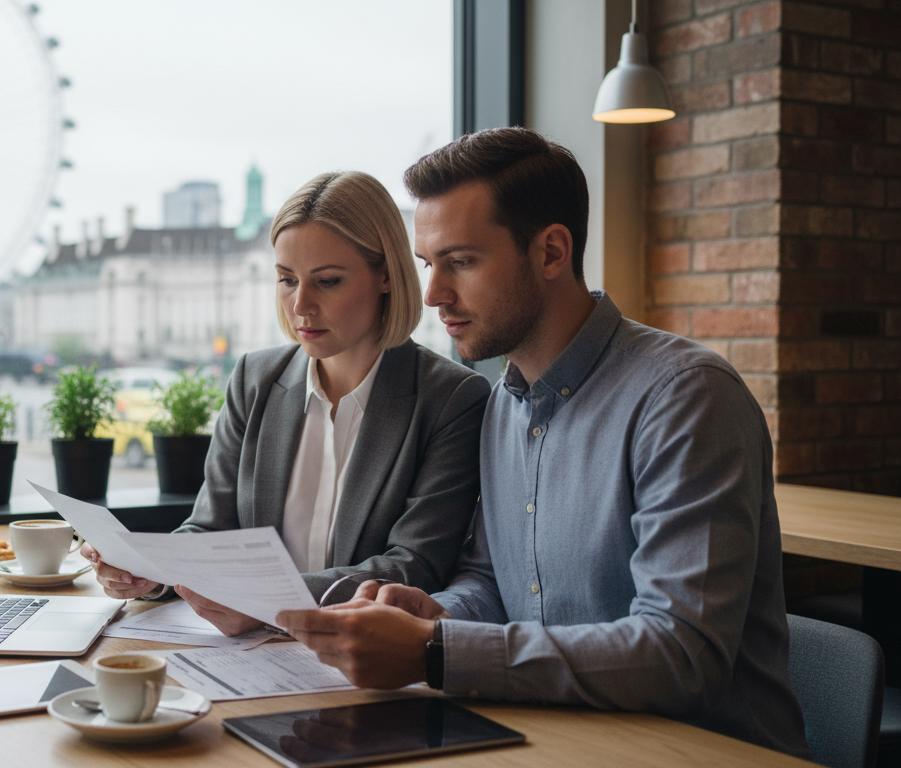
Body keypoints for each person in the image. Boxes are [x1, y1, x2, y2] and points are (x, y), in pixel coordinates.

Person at [276, 128, 811, 759]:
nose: (434, 294)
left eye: (462, 262)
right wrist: (430, 612)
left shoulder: (686, 398)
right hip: (559, 739)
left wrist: (435, 650)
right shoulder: (504, 403)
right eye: (429, 265)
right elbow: (497, 585)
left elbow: (682, 655)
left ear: (552, 251)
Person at [82, 170, 490, 636]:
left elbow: (414, 566)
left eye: (328, 281)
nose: (300, 306)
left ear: (385, 276)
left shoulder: (451, 399)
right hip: (243, 658)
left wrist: (266, 603)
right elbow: (210, 531)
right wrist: (151, 573)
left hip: (366, 664)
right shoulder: (255, 379)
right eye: (287, 280)